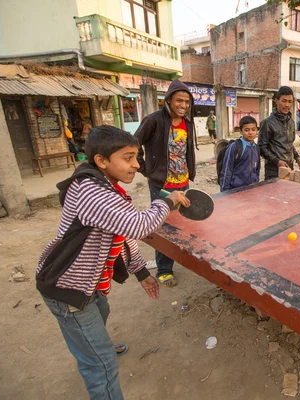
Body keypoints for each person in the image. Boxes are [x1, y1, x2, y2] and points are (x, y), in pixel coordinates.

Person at [36, 126, 189, 400]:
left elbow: (121, 233)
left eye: (136, 156)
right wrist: (167, 201)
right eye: (128, 157)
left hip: (87, 282)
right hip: (67, 285)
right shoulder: (91, 192)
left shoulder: (109, 189)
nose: (136, 164)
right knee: (101, 365)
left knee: (101, 310)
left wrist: (141, 272)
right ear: (101, 161)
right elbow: (137, 226)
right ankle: (96, 353)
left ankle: (95, 344)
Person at [134, 80, 197, 288]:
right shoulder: (154, 120)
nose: (183, 105)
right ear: (169, 99)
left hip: (183, 183)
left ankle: (175, 260)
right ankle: (164, 270)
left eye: (187, 102)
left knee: (181, 225)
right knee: (163, 227)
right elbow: (133, 144)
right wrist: (145, 169)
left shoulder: (188, 123)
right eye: (179, 100)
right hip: (162, 185)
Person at [258, 86, 300, 179]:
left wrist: (298, 158)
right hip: (273, 170)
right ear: (276, 101)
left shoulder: (291, 122)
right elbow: (261, 147)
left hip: (289, 167)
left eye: (290, 101)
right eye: (284, 101)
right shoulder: (268, 123)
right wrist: (277, 161)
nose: (287, 105)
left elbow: (290, 145)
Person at [219, 116, 260, 192]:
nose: (250, 133)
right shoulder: (235, 147)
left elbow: (257, 169)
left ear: (257, 130)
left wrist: (256, 182)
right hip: (236, 189)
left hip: (252, 188)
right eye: (246, 130)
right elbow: (227, 170)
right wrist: (224, 191)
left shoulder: (256, 148)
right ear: (241, 131)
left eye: (253, 129)